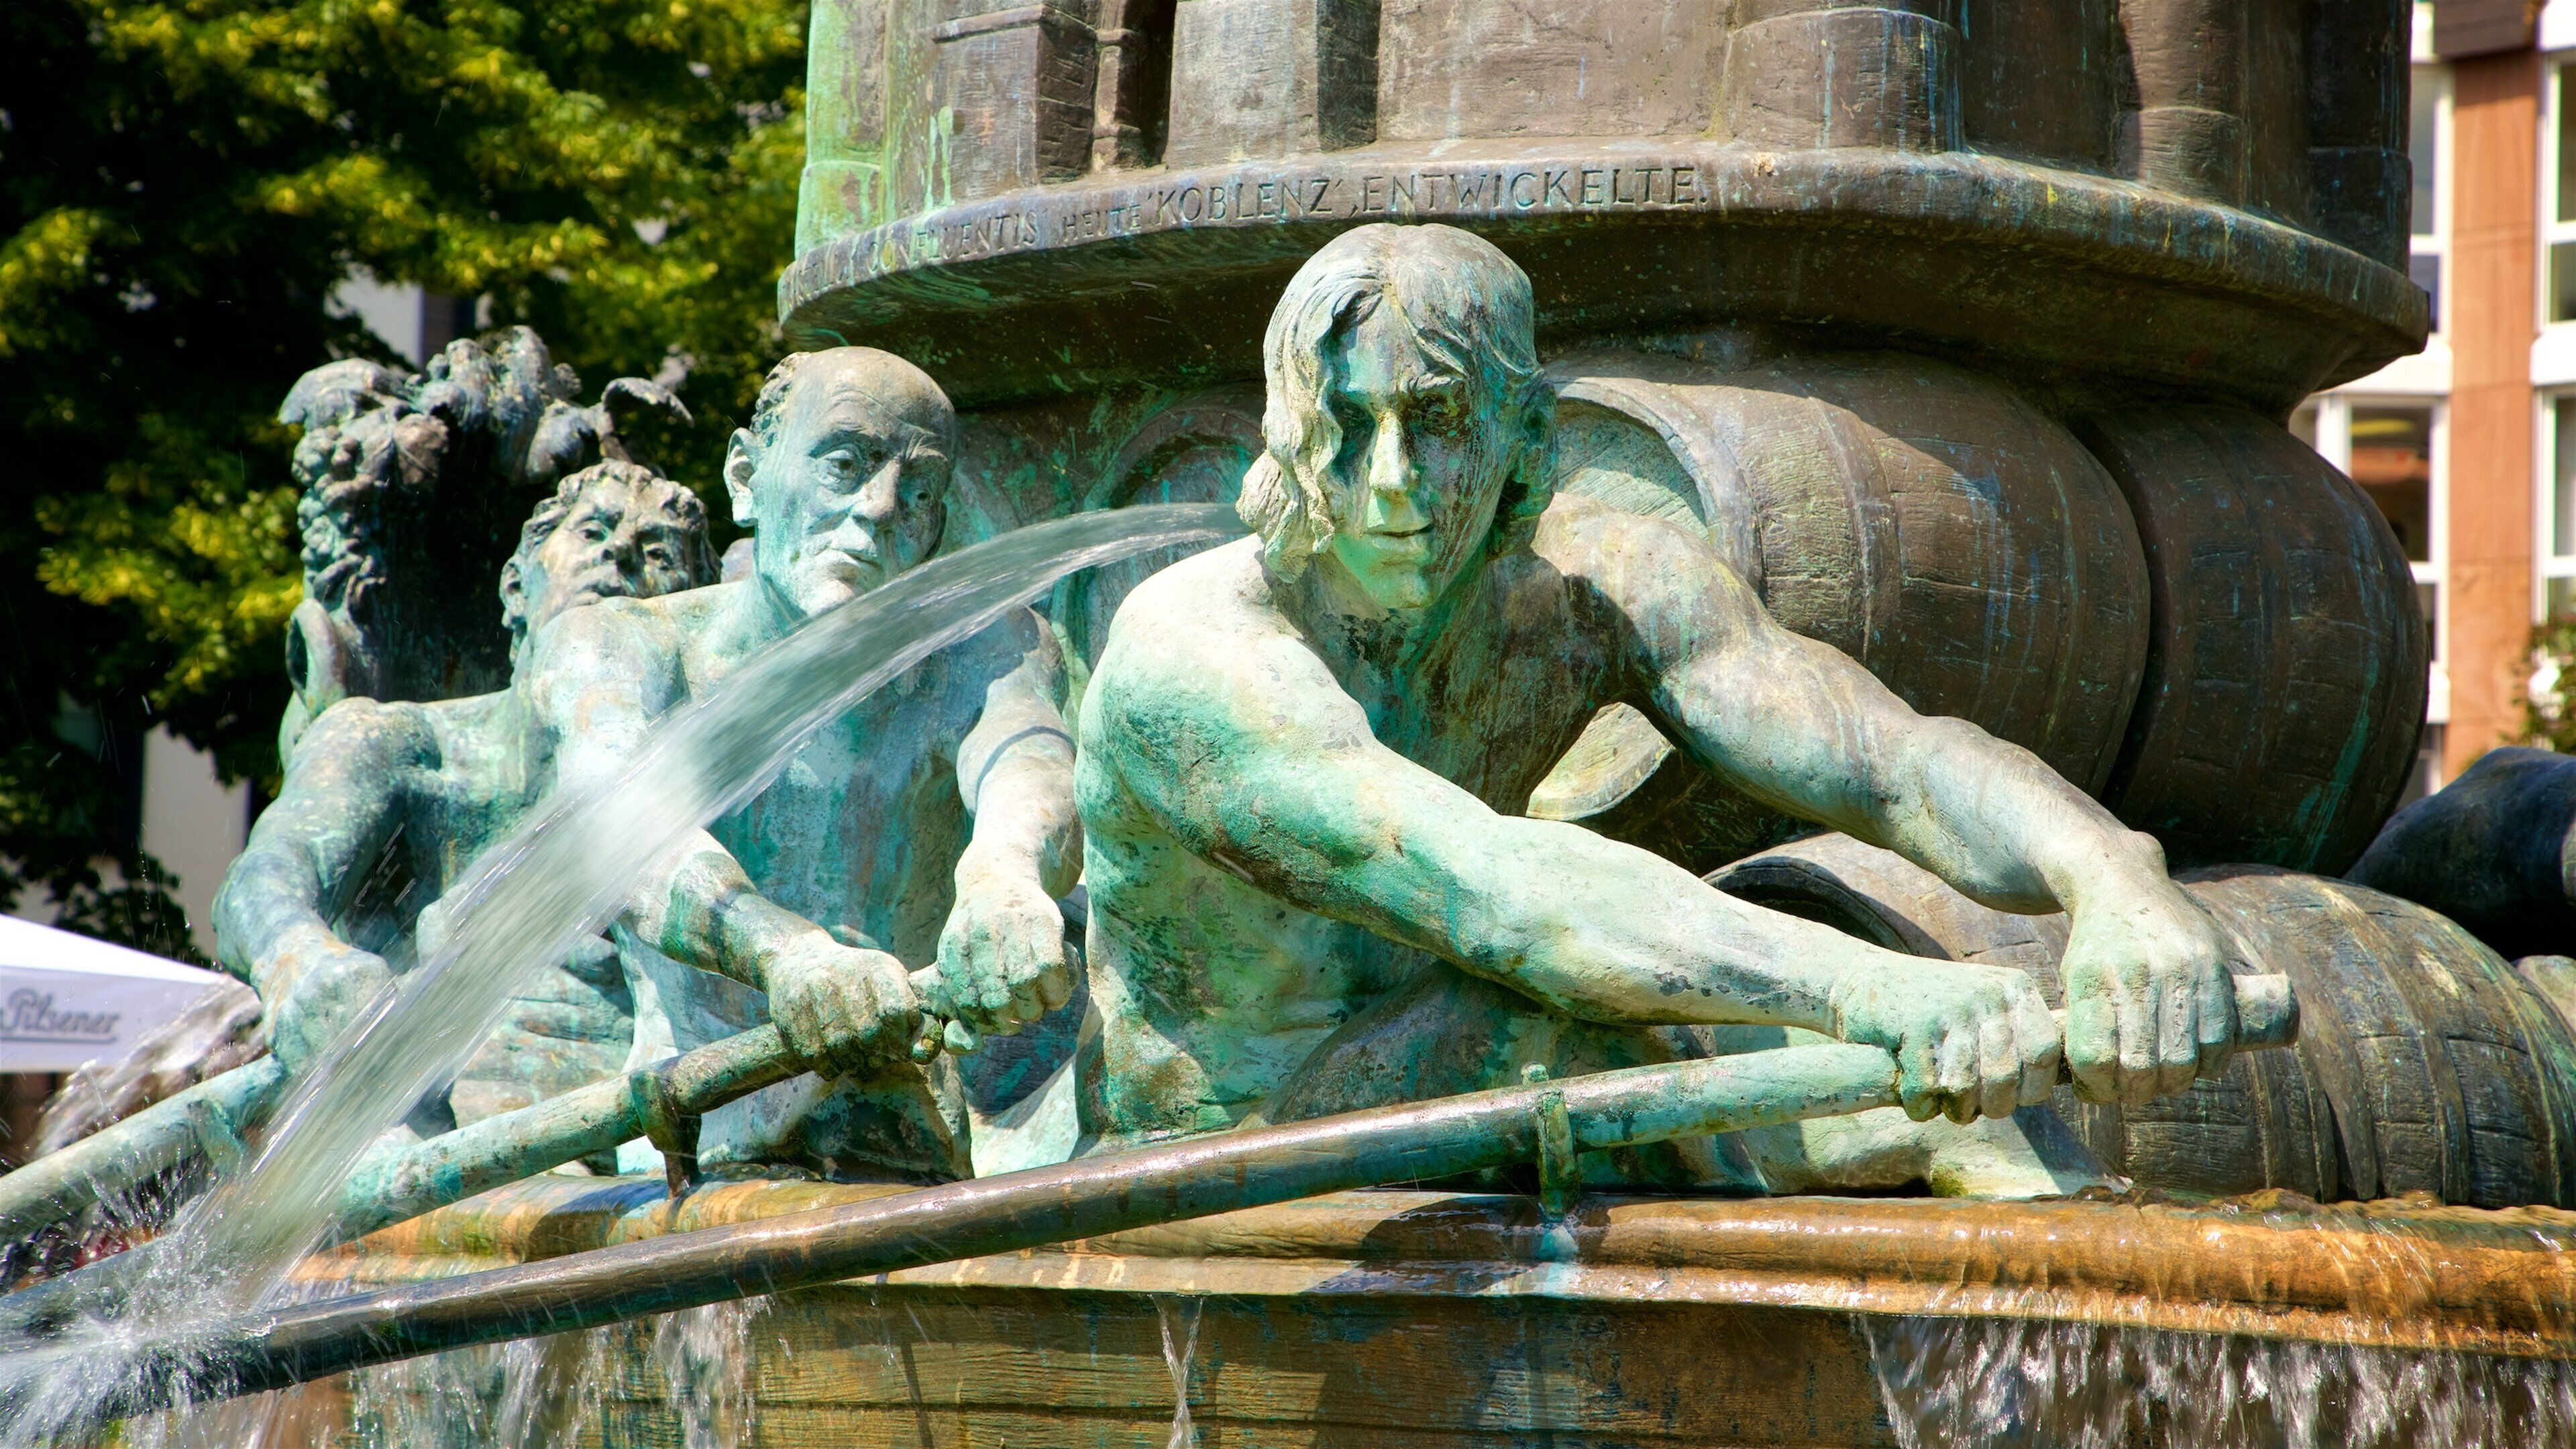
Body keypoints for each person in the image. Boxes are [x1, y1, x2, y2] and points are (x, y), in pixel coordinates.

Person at [1069, 224, 2241, 1188]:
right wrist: (1867, 990)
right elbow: (1496, 894)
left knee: (1971, 1106)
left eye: (1436, 422)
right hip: (1223, 1162)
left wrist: (2115, 880)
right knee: (1552, 1021)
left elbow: (1889, 765)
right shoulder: (1198, 661)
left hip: (1465, 1068)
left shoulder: (1597, 586)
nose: (1390, 484)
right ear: (1288, 437)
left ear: (1527, 434)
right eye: (1345, 428)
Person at [523, 347, 1079, 1183]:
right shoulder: (621, 645)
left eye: (919, 491)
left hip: (912, 1132)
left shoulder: (990, 649)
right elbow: (621, 828)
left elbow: (1030, 760)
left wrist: (1005, 877)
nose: (880, 509)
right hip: (694, 1140)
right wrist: (788, 954)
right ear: (746, 478)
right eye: (845, 465)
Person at [215, 460, 716, 1122]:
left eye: (658, 554)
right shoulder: (401, 743)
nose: (619, 554)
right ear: (516, 587)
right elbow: (266, 875)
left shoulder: (721, 791)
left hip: (669, 1118)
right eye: (593, 532)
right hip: (441, 1113)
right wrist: (297, 958)